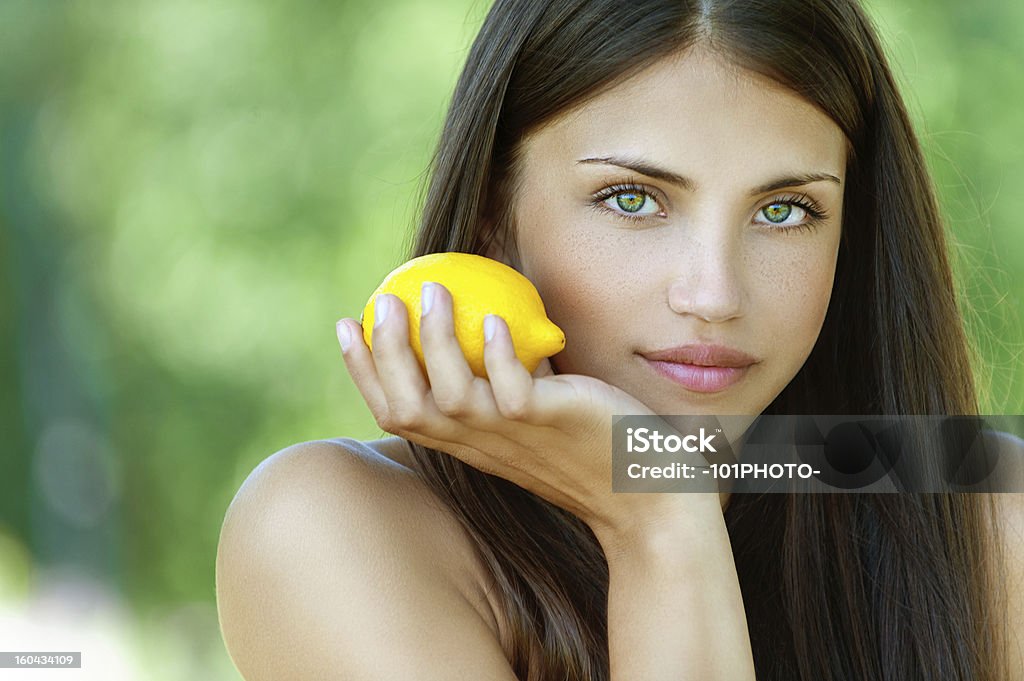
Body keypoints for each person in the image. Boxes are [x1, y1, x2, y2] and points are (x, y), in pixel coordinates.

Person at [215, 0, 1024, 679]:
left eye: (784, 210)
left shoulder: (990, 512)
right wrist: (656, 517)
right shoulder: (336, 527)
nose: (713, 295)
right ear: (497, 210)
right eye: (632, 198)